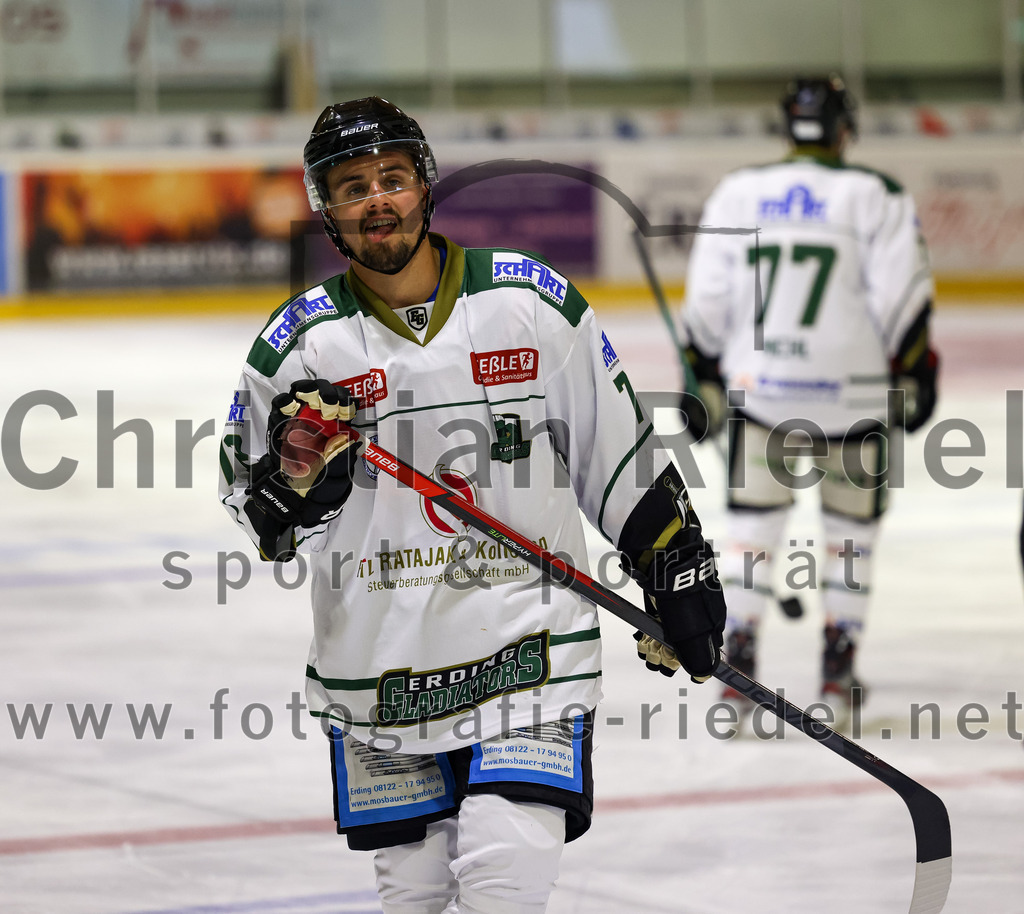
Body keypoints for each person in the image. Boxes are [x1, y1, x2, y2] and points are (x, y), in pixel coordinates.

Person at [219, 96, 726, 912]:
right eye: (352, 187)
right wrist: (296, 482)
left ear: (425, 185)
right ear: (327, 212)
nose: (376, 200)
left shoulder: (530, 302)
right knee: (413, 896)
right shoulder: (299, 346)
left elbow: (617, 453)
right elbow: (258, 517)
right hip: (378, 671)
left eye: (392, 178)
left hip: (530, 653)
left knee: (504, 878)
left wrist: (678, 565)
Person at [677, 76, 939, 716]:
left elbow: (705, 309)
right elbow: (903, 304)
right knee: (851, 539)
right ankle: (836, 676)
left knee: (750, 534)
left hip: (762, 398)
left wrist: (702, 376)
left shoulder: (739, 190)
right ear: (845, 128)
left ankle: (736, 667)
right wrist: (917, 372)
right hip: (855, 403)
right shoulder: (876, 195)